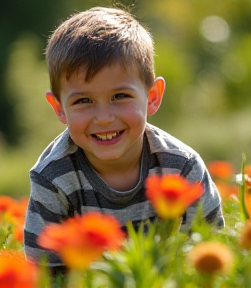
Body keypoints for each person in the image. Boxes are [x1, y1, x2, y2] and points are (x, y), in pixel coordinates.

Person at [24, 6, 224, 274]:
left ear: (152, 96)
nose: (104, 118)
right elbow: (45, 272)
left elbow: (210, 249)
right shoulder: (53, 177)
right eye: (84, 100)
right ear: (59, 107)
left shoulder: (181, 167)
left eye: (120, 96)